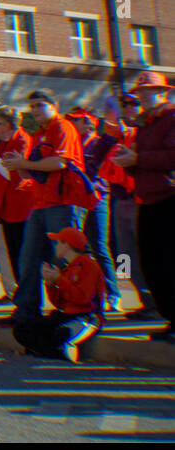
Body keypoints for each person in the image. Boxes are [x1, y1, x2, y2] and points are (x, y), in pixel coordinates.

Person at [0, 90, 87, 328]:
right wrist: (18, 165)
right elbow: (34, 171)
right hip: (40, 204)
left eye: (40, 105)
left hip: (63, 203)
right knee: (29, 257)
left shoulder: (62, 127)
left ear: (54, 105)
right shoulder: (40, 134)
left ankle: (74, 309)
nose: (35, 111)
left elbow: (59, 162)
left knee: (65, 258)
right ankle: (26, 312)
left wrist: (23, 164)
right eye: (32, 107)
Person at [111, 72, 175, 342]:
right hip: (145, 197)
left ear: (162, 92)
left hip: (169, 197)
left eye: (148, 91)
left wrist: (137, 158)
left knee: (168, 262)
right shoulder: (145, 124)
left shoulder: (171, 118)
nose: (142, 96)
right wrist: (131, 161)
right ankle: (169, 317)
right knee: (151, 263)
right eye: (140, 92)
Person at [12, 227, 106, 363]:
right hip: (67, 314)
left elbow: (83, 299)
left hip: (85, 316)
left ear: (67, 244)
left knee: (58, 335)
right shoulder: (68, 267)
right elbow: (59, 304)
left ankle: (53, 353)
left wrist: (59, 280)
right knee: (22, 329)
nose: (55, 246)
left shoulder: (89, 265)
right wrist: (50, 283)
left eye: (58, 242)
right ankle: (49, 352)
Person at [99, 93, 156, 317]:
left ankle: (158, 303)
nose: (128, 108)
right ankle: (143, 299)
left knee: (149, 253)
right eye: (124, 105)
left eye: (133, 104)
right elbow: (96, 158)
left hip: (140, 199)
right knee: (124, 256)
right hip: (119, 200)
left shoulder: (143, 131)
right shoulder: (112, 135)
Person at [66, 107, 122, 312]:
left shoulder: (100, 142)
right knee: (79, 247)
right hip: (77, 199)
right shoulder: (71, 141)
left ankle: (114, 293)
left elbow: (102, 169)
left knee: (100, 246)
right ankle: (86, 293)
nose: (73, 123)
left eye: (77, 120)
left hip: (98, 199)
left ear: (89, 123)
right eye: (71, 120)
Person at [0, 105, 35, 303]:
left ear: (9, 123)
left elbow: (15, 177)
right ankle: (21, 300)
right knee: (14, 256)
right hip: (5, 207)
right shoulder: (4, 143)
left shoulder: (22, 140)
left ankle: (28, 302)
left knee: (23, 257)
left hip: (20, 208)